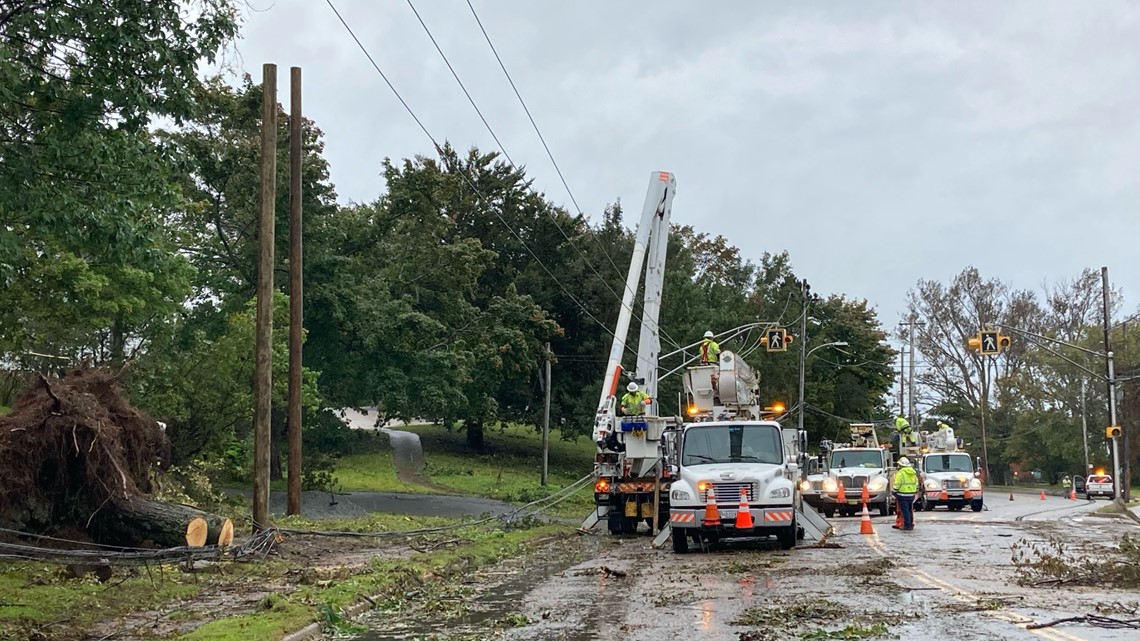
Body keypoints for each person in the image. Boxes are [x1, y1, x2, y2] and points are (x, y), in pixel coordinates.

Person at [893, 457, 919, 531]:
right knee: (910, 510)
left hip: (902, 494)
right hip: (911, 494)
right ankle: (910, 524)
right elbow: (916, 483)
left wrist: (894, 491)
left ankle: (907, 525)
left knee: (905, 511)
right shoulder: (913, 472)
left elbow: (897, 484)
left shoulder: (900, 473)